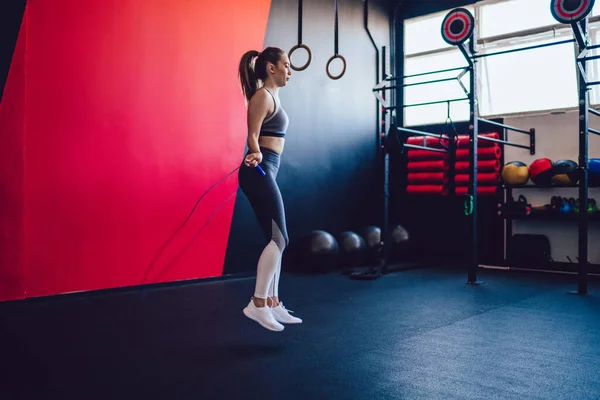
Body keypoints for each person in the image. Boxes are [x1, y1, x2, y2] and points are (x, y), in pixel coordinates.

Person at [236, 47, 302, 332]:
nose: (290, 70)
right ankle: (258, 303)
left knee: (277, 240)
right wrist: (255, 151)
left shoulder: (274, 96)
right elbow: (252, 133)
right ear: (271, 68)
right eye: (286, 65)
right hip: (258, 171)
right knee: (279, 239)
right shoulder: (262, 96)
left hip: (267, 170)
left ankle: (273, 301)